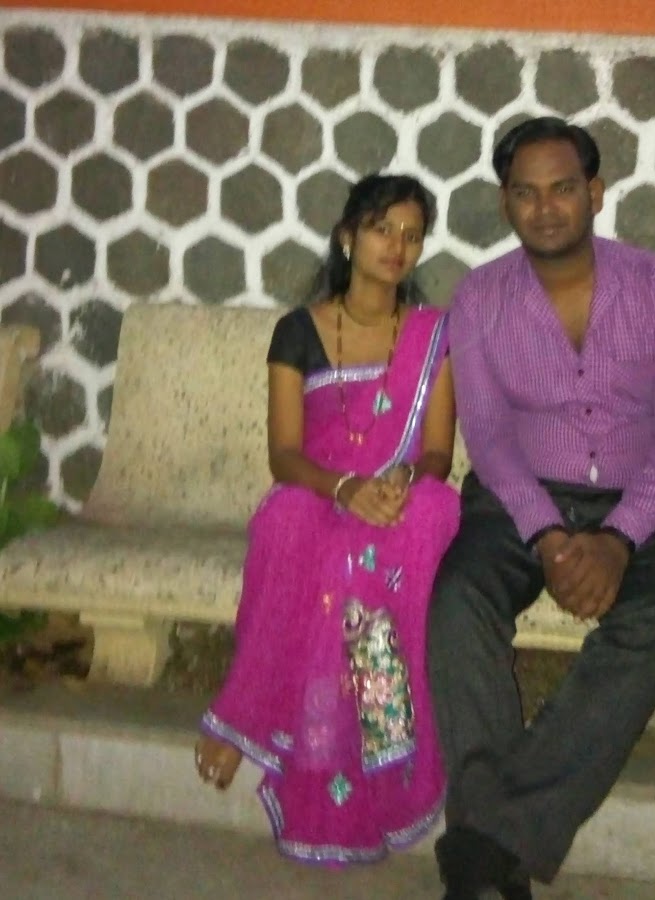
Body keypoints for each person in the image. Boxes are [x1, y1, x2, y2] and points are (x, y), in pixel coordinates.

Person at [426, 117, 655, 899]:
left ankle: (487, 841)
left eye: (562, 188)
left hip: (644, 506)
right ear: (505, 203)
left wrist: (620, 538)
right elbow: (488, 436)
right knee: (458, 597)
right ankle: (501, 849)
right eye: (525, 192)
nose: (545, 207)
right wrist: (549, 536)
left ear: (595, 192)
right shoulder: (479, 298)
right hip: (517, 502)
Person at [195, 174, 459, 867]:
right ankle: (277, 726)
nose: (397, 246)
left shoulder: (433, 337)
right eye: (382, 229)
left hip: (397, 497)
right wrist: (345, 490)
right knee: (289, 520)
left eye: (412, 234)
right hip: (319, 492)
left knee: (431, 510)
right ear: (348, 237)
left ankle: (383, 734)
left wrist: (403, 480)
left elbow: (437, 452)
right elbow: (284, 454)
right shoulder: (298, 331)